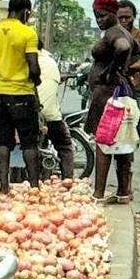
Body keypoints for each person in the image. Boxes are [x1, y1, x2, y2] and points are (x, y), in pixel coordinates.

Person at [0, 0, 45, 193]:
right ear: (26, 11)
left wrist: (1, 75)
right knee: (28, 141)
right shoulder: (28, 34)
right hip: (22, 94)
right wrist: (35, 79)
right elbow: (33, 67)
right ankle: (34, 186)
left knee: (3, 139)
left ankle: (4, 187)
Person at [86, 0, 137, 202]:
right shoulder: (126, 32)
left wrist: (110, 70)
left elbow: (123, 48)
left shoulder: (114, 32)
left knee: (103, 141)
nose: (99, 20)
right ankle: (123, 191)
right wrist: (122, 70)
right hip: (121, 91)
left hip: (107, 92)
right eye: (97, 16)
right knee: (122, 141)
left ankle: (98, 193)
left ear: (114, 14)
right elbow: (136, 52)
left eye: (103, 16)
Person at [35, 47, 76, 181]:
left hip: (24, 112)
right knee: (65, 147)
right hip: (50, 115)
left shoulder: (20, 60)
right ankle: (67, 180)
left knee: (5, 144)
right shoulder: (50, 61)